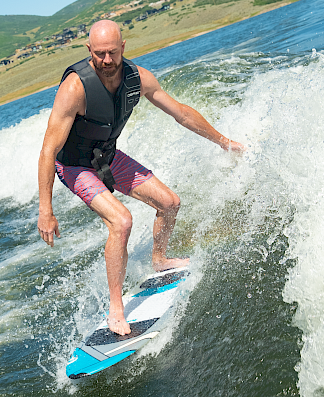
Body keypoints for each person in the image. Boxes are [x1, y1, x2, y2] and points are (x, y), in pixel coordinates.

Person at [37, 20, 245, 336]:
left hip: (106, 157)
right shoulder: (75, 88)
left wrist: (223, 141)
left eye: (112, 53)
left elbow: (182, 113)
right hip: (74, 165)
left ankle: (159, 260)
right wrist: (45, 209)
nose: (106, 61)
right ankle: (116, 311)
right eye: (99, 54)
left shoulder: (138, 78)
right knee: (121, 222)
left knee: (170, 202)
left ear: (123, 47)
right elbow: (48, 149)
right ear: (89, 50)